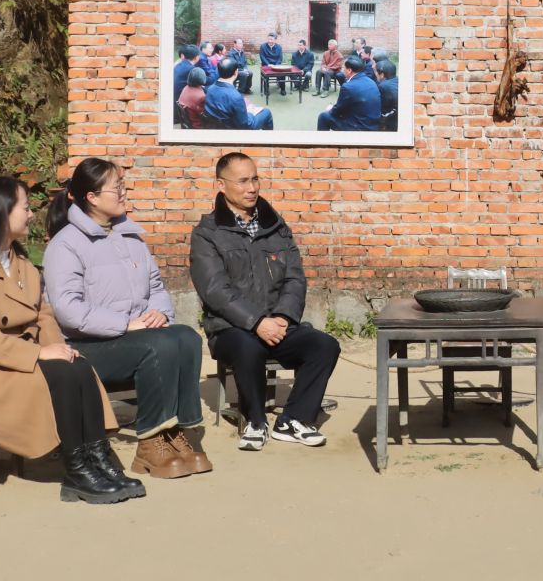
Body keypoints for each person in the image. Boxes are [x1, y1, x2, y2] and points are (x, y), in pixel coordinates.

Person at [0, 176, 137, 506]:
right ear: (2, 212)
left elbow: (43, 315)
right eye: (25, 208)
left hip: (19, 354)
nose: (32, 214)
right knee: (59, 375)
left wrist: (58, 348)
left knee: (77, 367)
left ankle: (98, 459)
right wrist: (39, 353)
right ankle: (77, 469)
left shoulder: (21, 263)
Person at [44, 159, 210, 480]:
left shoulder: (130, 237)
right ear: (92, 197)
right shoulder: (66, 245)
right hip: (85, 346)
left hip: (134, 337)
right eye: (116, 187)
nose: (123, 193)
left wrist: (160, 312)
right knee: (158, 346)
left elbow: (156, 287)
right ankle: (150, 441)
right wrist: (124, 324)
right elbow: (68, 310)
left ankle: (175, 430)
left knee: (187, 337)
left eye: (123, 186)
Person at [189, 152, 341, 450]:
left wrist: (283, 316)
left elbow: (295, 278)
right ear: (221, 185)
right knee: (248, 347)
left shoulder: (276, 227)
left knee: (324, 345)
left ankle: (295, 419)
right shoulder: (207, 233)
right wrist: (256, 322)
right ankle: (255, 421)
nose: (252, 188)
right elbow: (215, 290)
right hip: (230, 328)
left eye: (255, 179)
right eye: (243, 181)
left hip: (278, 324)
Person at [204, 58, 276, 131]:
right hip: (233, 129)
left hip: (218, 126)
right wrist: (250, 113)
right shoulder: (235, 96)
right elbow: (245, 124)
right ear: (236, 72)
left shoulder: (209, 89)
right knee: (266, 112)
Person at [317, 55, 382, 131]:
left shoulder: (348, 87)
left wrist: (330, 109)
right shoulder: (371, 81)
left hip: (359, 127)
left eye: (343, 68)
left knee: (324, 116)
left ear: (349, 70)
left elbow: (338, 110)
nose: (342, 70)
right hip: (373, 124)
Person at [375, 56, 400, 125]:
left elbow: (382, 107)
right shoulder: (397, 79)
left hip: (391, 119)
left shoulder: (383, 86)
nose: (375, 74)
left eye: (376, 72)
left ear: (382, 75)